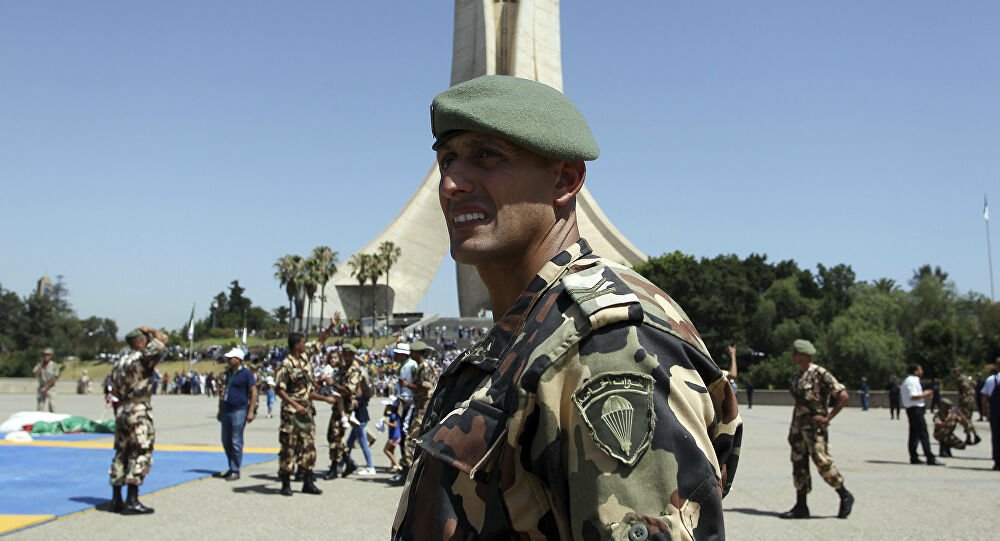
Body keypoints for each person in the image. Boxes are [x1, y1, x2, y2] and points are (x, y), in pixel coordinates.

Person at [392, 75, 742, 539]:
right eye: (447, 159)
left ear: (566, 178)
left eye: (487, 156)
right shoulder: (529, 332)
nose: (452, 183)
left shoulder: (608, 345)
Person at [780, 339, 854, 520]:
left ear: (803, 355)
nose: (793, 356)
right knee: (799, 465)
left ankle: (844, 494)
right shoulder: (798, 375)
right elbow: (798, 404)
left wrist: (828, 418)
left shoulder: (820, 374)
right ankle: (801, 505)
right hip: (798, 427)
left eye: (795, 353)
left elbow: (843, 395)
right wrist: (792, 429)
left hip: (815, 429)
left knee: (822, 462)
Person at [108, 327, 168, 515]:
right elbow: (162, 342)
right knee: (141, 451)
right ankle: (132, 499)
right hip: (138, 409)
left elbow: (114, 389)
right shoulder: (142, 358)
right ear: (139, 342)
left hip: (122, 409)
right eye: (145, 339)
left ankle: (116, 498)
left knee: (121, 452)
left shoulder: (119, 362)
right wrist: (152, 331)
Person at [275, 331, 336, 496]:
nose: (306, 345)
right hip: (291, 413)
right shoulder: (286, 364)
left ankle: (308, 481)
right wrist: (295, 405)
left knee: (309, 446)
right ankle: (286, 483)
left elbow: (319, 342)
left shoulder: (304, 359)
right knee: (289, 446)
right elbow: (279, 390)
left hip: (306, 410)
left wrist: (331, 326)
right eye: (303, 343)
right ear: (296, 345)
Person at [390, 340, 435, 485]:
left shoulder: (424, 368)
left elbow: (425, 388)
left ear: (417, 353)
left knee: (411, 439)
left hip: (423, 408)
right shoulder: (421, 366)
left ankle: (405, 473)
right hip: (420, 406)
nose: (411, 354)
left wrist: (407, 385)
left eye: (413, 352)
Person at [214, 347, 256, 481]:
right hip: (226, 409)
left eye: (230, 358)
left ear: (238, 360)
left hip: (239, 410)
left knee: (236, 441)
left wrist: (251, 411)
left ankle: (235, 469)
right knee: (225, 440)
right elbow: (223, 393)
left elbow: (253, 392)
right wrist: (220, 410)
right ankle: (231, 466)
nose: (227, 360)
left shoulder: (246, 374)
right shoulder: (227, 374)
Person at [901, 364, 943, 466]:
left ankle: (914, 456)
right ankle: (930, 457)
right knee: (923, 433)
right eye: (920, 370)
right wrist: (926, 394)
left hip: (914, 409)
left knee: (914, 434)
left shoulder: (911, 380)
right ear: (915, 371)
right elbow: (913, 396)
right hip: (915, 409)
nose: (922, 372)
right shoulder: (911, 381)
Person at [344, 345, 376, 476]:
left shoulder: (358, 376)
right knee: (349, 443)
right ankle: (343, 464)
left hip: (359, 415)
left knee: (363, 443)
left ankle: (370, 466)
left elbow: (359, 397)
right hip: (358, 415)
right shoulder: (360, 377)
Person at [952, 368, 982, 445]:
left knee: (965, 419)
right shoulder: (967, 377)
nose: (954, 374)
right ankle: (969, 436)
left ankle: (974, 435)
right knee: (967, 419)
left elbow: (965, 386)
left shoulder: (961, 378)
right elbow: (974, 384)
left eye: (955, 372)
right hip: (970, 399)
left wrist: (964, 394)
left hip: (966, 400)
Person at [979, 366, 1000, 470]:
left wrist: (984, 410)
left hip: (995, 412)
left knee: (996, 437)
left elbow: (984, 397)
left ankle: (997, 461)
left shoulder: (992, 379)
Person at [33, 347, 60, 412]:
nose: (46, 356)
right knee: (40, 406)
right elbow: (36, 375)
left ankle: (53, 419)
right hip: (41, 386)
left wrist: (46, 387)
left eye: (48, 355)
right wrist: (41, 366)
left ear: (51, 356)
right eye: (44, 354)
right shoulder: (40, 364)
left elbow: (54, 378)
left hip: (51, 387)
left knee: (52, 405)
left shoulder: (54, 365)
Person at [382, 396, 403, 473]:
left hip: (394, 436)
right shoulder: (394, 413)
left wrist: (386, 423)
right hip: (396, 436)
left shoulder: (393, 415)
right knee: (391, 451)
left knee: (386, 450)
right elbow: (385, 414)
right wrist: (387, 407)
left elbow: (395, 425)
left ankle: (397, 465)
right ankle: (394, 466)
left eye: (388, 405)